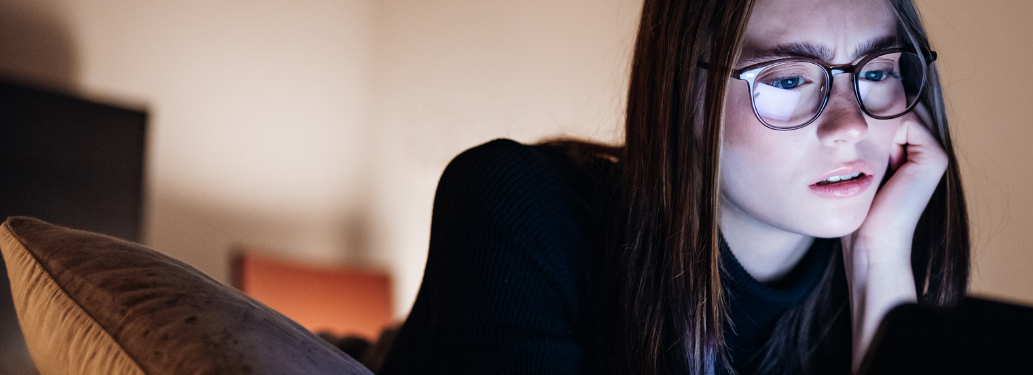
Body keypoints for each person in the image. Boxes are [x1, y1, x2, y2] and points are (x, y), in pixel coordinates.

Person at [378, 0, 969, 373]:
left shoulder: (886, 278)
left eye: (876, 71)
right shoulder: (517, 208)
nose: (852, 125)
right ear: (682, 95)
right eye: (787, 78)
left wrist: (880, 266)